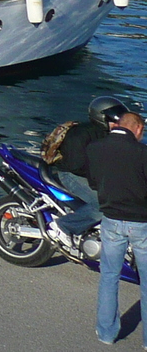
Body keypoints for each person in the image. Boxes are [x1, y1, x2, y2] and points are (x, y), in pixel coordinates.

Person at [87, 105, 147, 345]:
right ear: (138, 129)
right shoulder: (143, 153)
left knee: (109, 276)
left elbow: (93, 183)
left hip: (111, 220)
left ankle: (106, 333)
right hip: (142, 223)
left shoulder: (94, 149)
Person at [43, 97, 122, 238]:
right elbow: (76, 165)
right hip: (69, 174)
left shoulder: (109, 134)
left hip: (89, 175)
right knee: (105, 205)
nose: (117, 122)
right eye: (114, 118)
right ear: (101, 117)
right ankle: (63, 226)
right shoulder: (80, 134)